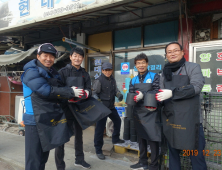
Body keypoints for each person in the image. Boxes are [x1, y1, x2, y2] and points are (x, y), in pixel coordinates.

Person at [21, 43, 79, 170]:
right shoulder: (31, 72)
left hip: (47, 118)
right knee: (34, 160)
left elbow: (59, 90)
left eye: (52, 56)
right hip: (34, 120)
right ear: (38, 56)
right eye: (45, 55)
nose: (48, 59)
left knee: (43, 157)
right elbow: (46, 91)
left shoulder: (52, 73)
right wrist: (70, 92)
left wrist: (71, 94)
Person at [156, 42, 207, 170]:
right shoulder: (164, 73)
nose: (172, 53)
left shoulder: (192, 67)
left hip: (190, 121)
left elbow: (196, 87)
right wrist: (153, 101)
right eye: (169, 52)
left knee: (196, 157)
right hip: (171, 121)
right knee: (173, 157)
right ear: (166, 55)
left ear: (182, 52)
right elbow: (161, 93)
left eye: (175, 50)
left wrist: (172, 92)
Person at [55, 47, 91, 170]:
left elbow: (90, 89)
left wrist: (87, 93)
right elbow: (57, 90)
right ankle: (60, 166)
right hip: (65, 109)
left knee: (79, 135)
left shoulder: (85, 73)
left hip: (79, 108)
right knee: (61, 138)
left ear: (83, 58)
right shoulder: (62, 72)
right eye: (75, 56)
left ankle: (79, 160)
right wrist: (70, 93)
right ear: (70, 57)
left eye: (80, 56)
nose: (77, 58)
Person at [129, 53, 161, 170]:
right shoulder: (133, 80)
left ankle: (154, 165)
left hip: (151, 112)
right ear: (135, 65)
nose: (141, 65)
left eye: (143, 62)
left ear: (147, 64)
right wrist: (133, 98)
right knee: (141, 138)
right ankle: (142, 162)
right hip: (138, 111)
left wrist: (144, 95)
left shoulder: (155, 76)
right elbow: (131, 93)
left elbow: (157, 91)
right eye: (138, 63)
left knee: (153, 139)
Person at [93, 62, 124, 160]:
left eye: (109, 70)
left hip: (111, 107)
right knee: (100, 129)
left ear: (111, 70)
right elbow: (94, 93)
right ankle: (98, 150)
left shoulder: (113, 79)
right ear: (102, 70)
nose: (107, 72)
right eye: (105, 70)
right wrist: (97, 100)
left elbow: (115, 90)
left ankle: (115, 139)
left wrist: (118, 94)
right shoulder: (99, 80)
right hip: (102, 109)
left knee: (118, 121)